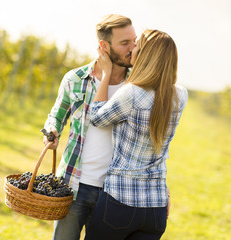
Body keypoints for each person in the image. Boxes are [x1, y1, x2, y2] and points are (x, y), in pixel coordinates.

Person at [85, 29, 188, 240]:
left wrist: (105, 75)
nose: (131, 49)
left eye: (136, 46)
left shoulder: (132, 94)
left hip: (119, 203)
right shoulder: (180, 95)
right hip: (156, 207)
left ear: (145, 56)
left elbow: (97, 117)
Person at [43, 14, 137, 240]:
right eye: (125, 43)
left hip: (114, 192)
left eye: (134, 41)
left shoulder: (137, 85)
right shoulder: (74, 79)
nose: (133, 48)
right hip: (73, 186)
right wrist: (51, 132)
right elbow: (55, 117)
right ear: (104, 47)